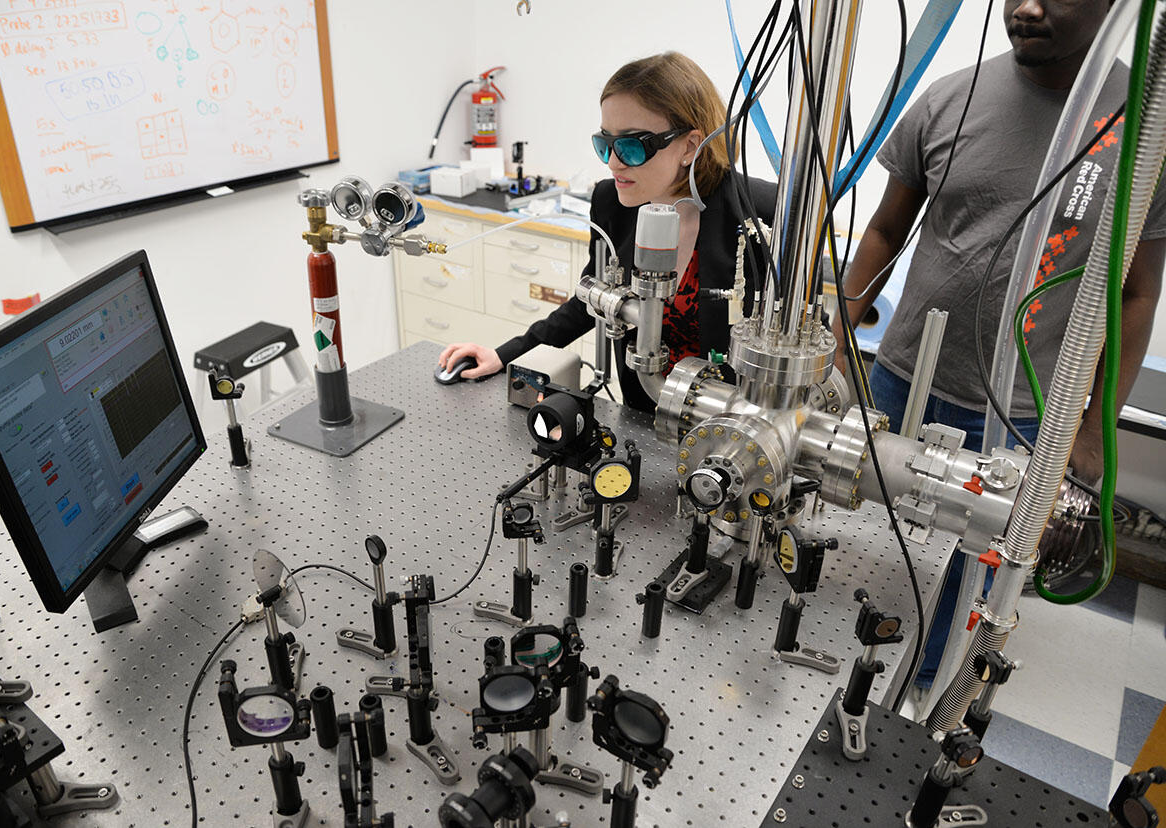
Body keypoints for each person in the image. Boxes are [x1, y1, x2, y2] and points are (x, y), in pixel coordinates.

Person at [836, 0, 1166, 691]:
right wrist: (836, 331)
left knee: (963, 582)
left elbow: (1135, 293)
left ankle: (917, 694)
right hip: (904, 380)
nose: (1025, 7)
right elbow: (885, 231)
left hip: (1022, 413)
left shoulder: (1144, 132)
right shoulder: (951, 98)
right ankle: (838, 670)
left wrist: (1094, 426)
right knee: (863, 542)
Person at [438, 52, 777, 411]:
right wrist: (504, 354)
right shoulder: (613, 202)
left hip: (730, 424)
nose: (614, 162)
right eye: (606, 143)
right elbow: (590, 302)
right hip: (643, 410)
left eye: (632, 145)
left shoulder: (762, 215)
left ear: (689, 146)